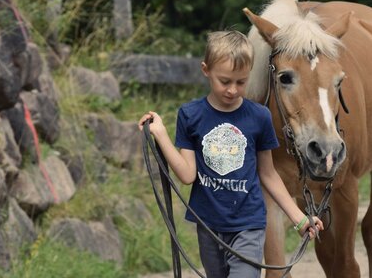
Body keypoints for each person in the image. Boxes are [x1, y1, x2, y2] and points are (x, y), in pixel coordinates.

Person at [138, 30, 323, 278]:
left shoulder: (259, 117)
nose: (233, 90)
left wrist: (299, 219)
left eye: (241, 82)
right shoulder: (190, 115)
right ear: (206, 70)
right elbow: (186, 174)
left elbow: (268, 174)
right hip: (208, 226)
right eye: (224, 81)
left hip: (249, 225)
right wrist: (160, 135)